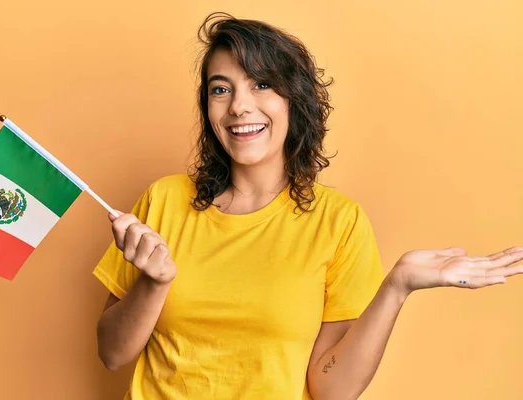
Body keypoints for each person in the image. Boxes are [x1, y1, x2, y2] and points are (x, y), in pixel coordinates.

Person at [91, 12, 523, 400]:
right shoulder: (163, 200)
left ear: (293, 100)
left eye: (261, 84)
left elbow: (331, 390)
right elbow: (112, 354)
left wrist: (397, 286)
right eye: (220, 89)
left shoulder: (339, 223)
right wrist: (154, 282)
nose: (240, 105)